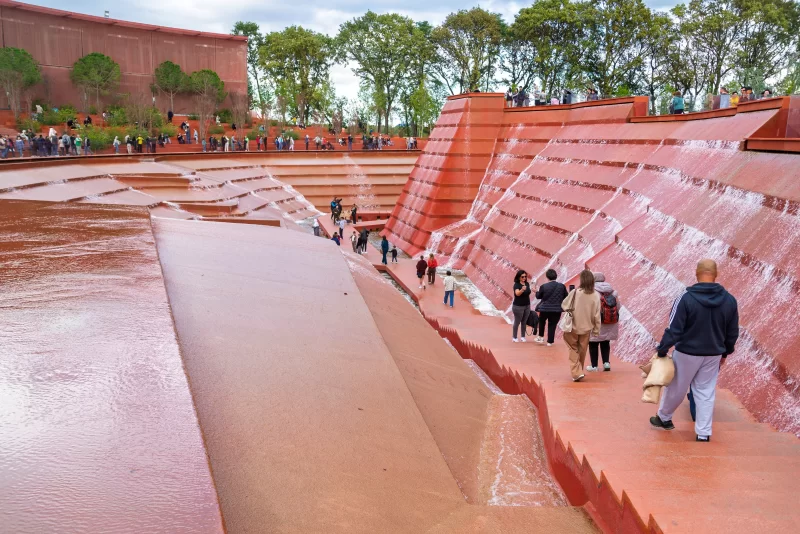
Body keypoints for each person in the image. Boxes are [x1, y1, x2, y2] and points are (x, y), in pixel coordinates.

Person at [649, 259, 739, 442]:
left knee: (677, 387)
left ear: (696, 274)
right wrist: (725, 353)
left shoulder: (685, 298)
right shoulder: (729, 300)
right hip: (714, 353)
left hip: (686, 352)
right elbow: (732, 332)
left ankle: (664, 418)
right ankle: (703, 433)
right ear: (716, 274)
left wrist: (662, 350)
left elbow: (674, 329)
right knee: (705, 391)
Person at [562, 270, 601, 382]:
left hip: (572, 326)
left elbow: (564, 305)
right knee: (582, 350)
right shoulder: (596, 295)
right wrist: (596, 330)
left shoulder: (575, 292)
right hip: (587, 328)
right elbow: (597, 315)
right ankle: (579, 371)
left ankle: (576, 373)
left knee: (573, 349)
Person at [587, 273, 619, 372]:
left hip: (596, 321)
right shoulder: (612, 291)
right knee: (605, 341)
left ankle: (594, 366)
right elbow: (618, 307)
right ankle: (606, 363)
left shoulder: (591, 291)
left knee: (593, 343)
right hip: (610, 320)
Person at [535, 269, 568, 346]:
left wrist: (536, 291)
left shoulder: (543, 286)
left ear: (547, 277)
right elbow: (566, 296)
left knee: (542, 321)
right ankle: (550, 342)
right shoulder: (562, 286)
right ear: (556, 276)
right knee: (552, 324)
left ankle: (541, 337)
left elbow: (538, 296)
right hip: (557, 309)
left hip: (545, 309)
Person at [512, 270, 532, 342]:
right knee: (517, 322)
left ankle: (523, 336)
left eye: (525, 276)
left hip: (527, 305)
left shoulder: (527, 284)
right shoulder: (516, 285)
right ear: (519, 277)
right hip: (518, 306)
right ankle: (514, 337)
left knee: (524, 322)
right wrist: (522, 290)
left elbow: (528, 292)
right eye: (522, 277)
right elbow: (517, 293)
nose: (524, 278)